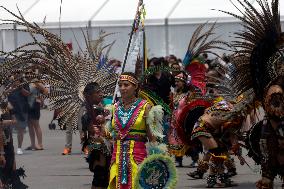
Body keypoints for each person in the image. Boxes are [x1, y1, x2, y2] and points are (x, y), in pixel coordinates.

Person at [108, 72, 159, 189]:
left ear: (135, 87)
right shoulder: (115, 107)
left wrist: (155, 159)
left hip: (137, 157)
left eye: (126, 85)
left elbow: (152, 138)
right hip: (117, 157)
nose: (122, 88)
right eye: (120, 85)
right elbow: (112, 134)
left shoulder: (145, 107)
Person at [80, 82, 112, 189]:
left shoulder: (105, 104)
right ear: (89, 95)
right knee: (100, 175)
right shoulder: (85, 110)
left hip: (108, 144)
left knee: (107, 175)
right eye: (97, 92)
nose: (101, 94)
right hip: (97, 147)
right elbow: (88, 131)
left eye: (101, 91)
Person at [0, 97, 28, 189]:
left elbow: (11, 109)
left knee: (10, 161)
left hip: (6, 139)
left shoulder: (5, 102)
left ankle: (12, 180)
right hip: (3, 140)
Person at [25, 79, 48, 151]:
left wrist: (40, 98)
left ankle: (40, 144)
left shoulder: (35, 81)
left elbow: (45, 91)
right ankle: (33, 144)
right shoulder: (25, 81)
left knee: (36, 124)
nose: (28, 74)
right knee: (30, 126)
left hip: (35, 104)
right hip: (27, 105)